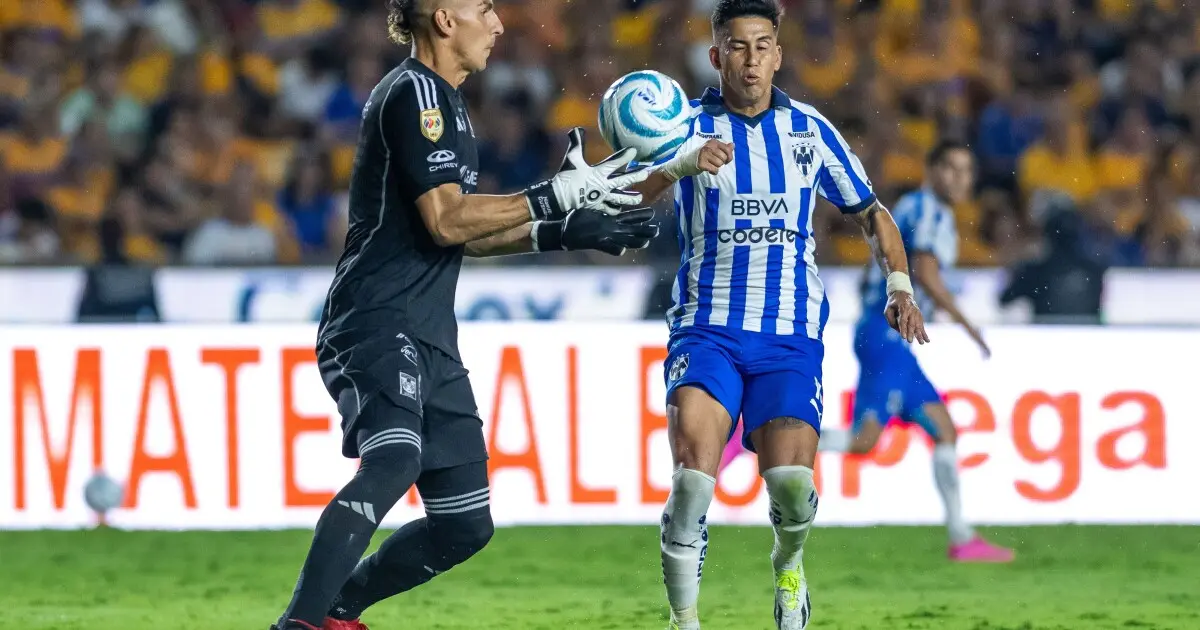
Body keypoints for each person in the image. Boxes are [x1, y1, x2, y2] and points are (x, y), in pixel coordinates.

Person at [270, 1, 657, 628]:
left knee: (464, 523)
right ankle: (301, 623)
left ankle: (339, 611)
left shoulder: (446, 104)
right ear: (444, 18)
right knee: (394, 459)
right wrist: (550, 195)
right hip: (375, 316)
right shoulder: (412, 95)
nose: (499, 23)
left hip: (428, 329)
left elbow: (458, 236)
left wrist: (561, 230)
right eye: (484, 8)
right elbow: (447, 217)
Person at [628, 2, 929, 628]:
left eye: (763, 45)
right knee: (691, 483)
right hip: (706, 326)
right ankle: (687, 623)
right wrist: (679, 165)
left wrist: (900, 284)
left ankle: (789, 568)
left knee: (791, 486)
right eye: (737, 47)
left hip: (788, 333)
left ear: (779, 54)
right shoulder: (683, 128)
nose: (752, 59)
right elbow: (626, 201)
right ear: (716, 57)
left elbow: (870, 211)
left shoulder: (808, 132)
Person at [819, 141, 1016, 563]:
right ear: (931, 168)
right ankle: (763, 437)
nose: (960, 179)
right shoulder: (928, 211)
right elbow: (925, 273)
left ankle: (962, 538)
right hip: (885, 335)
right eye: (951, 168)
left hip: (884, 333)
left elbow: (877, 259)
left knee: (941, 431)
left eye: (966, 171)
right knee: (861, 441)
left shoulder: (910, 208)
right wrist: (969, 327)